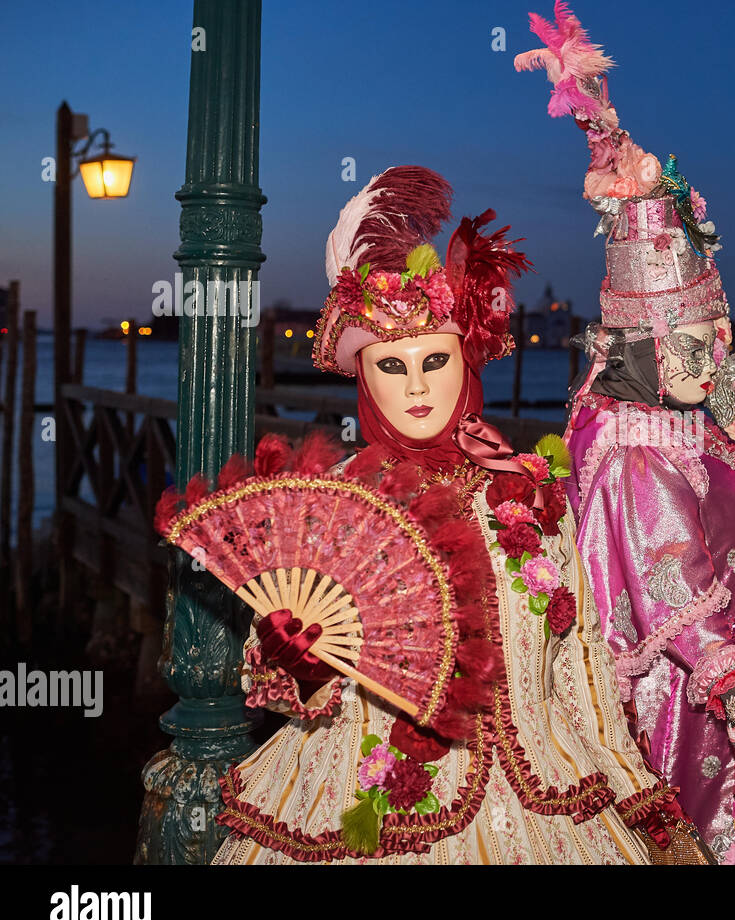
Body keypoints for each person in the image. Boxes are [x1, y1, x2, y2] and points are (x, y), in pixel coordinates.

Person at [209, 166, 705, 864]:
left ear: (465, 359)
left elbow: (581, 669)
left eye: (435, 358)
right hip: (367, 815)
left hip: (547, 808)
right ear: (366, 378)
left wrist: (642, 805)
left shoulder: (530, 495)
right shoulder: (340, 509)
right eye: (391, 365)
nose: (415, 385)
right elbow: (287, 690)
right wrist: (298, 659)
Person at [516, 5, 735, 862]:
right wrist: (734, 675)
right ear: (637, 339)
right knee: (709, 814)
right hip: (683, 689)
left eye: (712, 340)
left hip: (723, 662)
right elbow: (669, 577)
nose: (709, 361)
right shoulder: (637, 448)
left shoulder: (677, 418)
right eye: (688, 344)